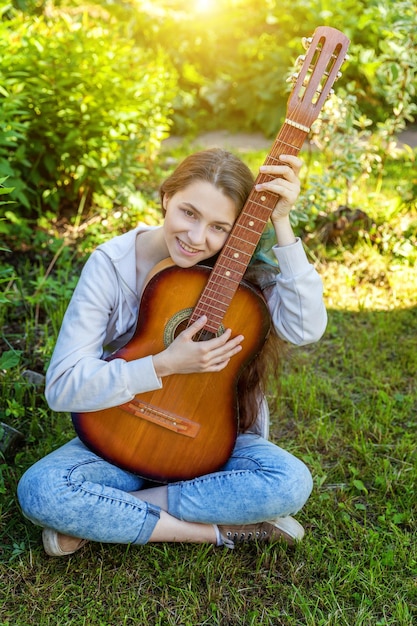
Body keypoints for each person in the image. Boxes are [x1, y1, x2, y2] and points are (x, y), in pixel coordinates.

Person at [17, 148, 327, 556]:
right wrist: (163, 364)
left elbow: (305, 329)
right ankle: (216, 532)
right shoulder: (112, 264)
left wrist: (282, 222)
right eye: (189, 213)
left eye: (219, 227)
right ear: (166, 197)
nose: (197, 238)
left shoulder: (237, 273)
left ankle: (105, 518)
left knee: (290, 481)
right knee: (41, 491)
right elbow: (60, 388)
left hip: (210, 445)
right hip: (120, 439)